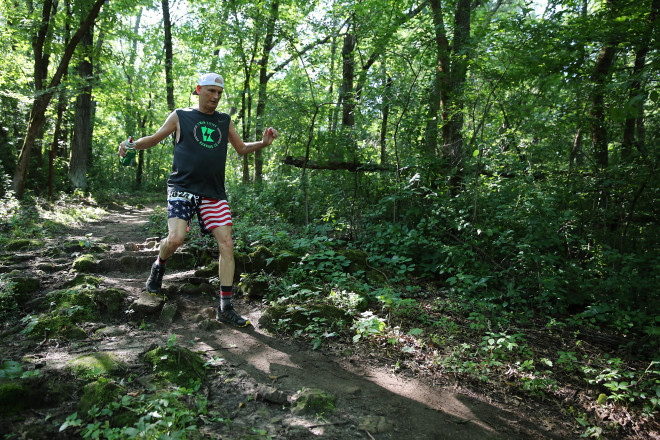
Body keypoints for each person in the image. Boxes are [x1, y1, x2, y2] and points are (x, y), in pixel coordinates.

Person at [118, 72, 279, 327]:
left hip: (213, 192)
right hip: (182, 187)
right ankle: (159, 266)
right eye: (211, 91)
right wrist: (131, 145)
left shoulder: (224, 121)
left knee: (226, 244)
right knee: (176, 238)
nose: (215, 97)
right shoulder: (181, 116)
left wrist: (263, 143)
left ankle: (225, 307)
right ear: (199, 90)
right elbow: (155, 138)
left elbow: (241, 148)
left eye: (219, 93)